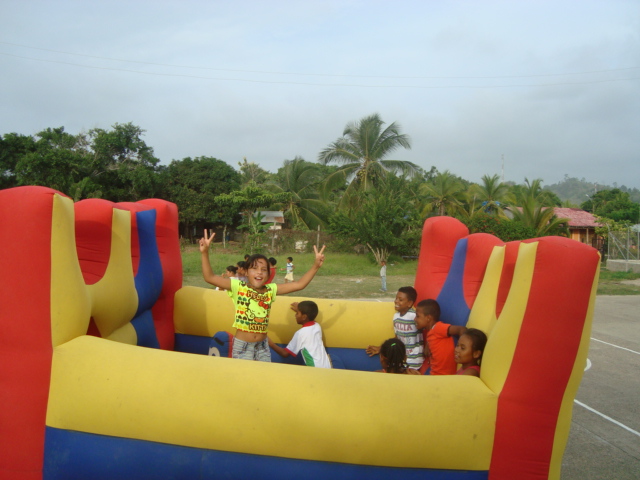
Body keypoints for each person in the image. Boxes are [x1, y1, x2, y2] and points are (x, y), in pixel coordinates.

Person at [200, 230, 326, 362]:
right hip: (243, 346)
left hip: (262, 347)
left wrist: (316, 266)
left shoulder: (270, 290)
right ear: (247, 272)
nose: (259, 272)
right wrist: (204, 252)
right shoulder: (238, 286)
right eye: (254, 268)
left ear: (268, 275)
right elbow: (210, 277)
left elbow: (299, 284)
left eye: (263, 269)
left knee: (262, 378)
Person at [365, 286, 423, 370]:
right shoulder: (396, 317)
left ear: (410, 303)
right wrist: (381, 348)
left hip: (414, 360)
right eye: (396, 298)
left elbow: (427, 330)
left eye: (400, 299)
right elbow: (397, 338)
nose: (396, 301)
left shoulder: (414, 316)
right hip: (401, 359)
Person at [268, 301, 331, 368]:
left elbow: (285, 353)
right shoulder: (317, 326)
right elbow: (310, 317)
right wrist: (301, 310)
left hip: (315, 369)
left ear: (304, 317)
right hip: (327, 366)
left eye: (297, 313)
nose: (295, 315)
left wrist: (270, 343)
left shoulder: (300, 334)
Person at [414, 299, 466, 375]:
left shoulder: (438, 327)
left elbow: (461, 329)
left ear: (428, 318)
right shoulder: (431, 332)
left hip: (443, 376)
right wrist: (428, 345)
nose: (415, 319)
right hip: (435, 374)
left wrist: (461, 349)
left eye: (417, 316)